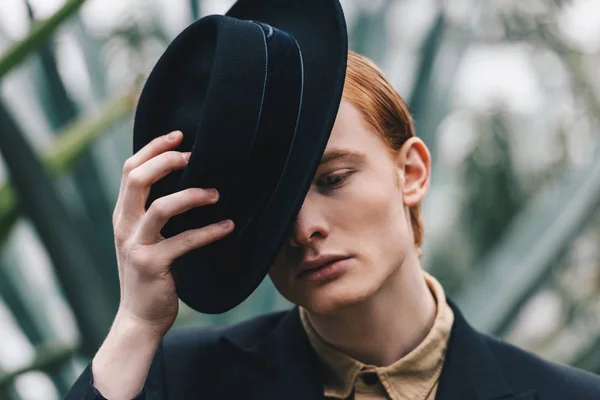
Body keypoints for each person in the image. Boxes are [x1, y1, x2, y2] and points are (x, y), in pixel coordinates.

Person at [65, 4, 600, 400]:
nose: (303, 230)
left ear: (411, 172)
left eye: (333, 179)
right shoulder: (175, 383)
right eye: (273, 205)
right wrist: (135, 321)